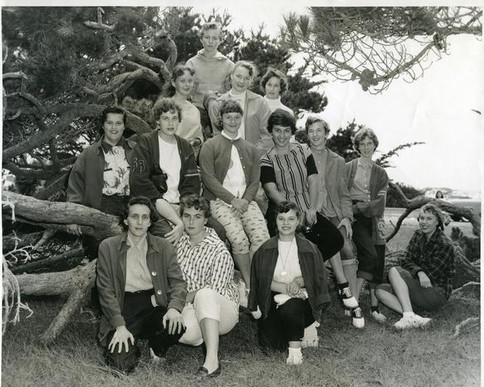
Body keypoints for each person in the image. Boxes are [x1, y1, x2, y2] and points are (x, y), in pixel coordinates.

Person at [259, 110, 344, 306]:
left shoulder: (303, 150)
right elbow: (272, 191)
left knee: (334, 239)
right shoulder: (266, 159)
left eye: (286, 131)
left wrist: (312, 209)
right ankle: (293, 293)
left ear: (292, 132)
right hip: (283, 214)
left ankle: (304, 275)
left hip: (308, 209)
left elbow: (313, 180)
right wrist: (295, 214)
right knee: (292, 248)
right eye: (277, 131)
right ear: (271, 132)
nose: (282, 136)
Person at [96, 196, 186, 373]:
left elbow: (178, 283)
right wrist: (120, 326)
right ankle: (130, 344)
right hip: (123, 306)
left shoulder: (164, 247)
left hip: (152, 304)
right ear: (125, 220)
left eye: (145, 217)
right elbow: (105, 291)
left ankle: (157, 345)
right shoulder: (108, 247)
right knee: (121, 366)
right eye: (134, 216)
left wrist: (174, 308)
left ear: (150, 221)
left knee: (176, 326)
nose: (139, 222)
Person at [199, 100, 270, 307]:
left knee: (262, 238)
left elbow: (255, 180)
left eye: (236, 117)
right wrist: (233, 201)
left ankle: (258, 283)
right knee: (239, 240)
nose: (232, 121)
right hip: (221, 201)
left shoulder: (250, 148)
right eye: (228, 117)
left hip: (246, 201)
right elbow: (208, 179)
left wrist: (245, 200)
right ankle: (248, 286)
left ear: (241, 119)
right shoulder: (210, 146)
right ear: (221, 119)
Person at [129, 98, 225, 244]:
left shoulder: (185, 146)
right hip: (154, 204)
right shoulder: (146, 143)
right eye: (165, 118)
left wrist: (187, 213)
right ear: (157, 121)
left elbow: (191, 183)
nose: (170, 123)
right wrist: (177, 221)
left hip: (181, 205)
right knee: (172, 238)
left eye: (174, 118)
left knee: (218, 231)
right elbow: (138, 181)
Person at [248, 201, 330, 365]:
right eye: (281, 218)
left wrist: (299, 281)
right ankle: (299, 330)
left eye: (291, 219)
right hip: (274, 297)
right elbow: (261, 280)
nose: (286, 223)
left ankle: (295, 351)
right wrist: (285, 287)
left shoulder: (310, 248)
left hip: (302, 300)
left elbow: (318, 278)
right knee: (271, 347)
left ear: (298, 221)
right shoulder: (265, 250)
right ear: (275, 221)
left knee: (293, 305)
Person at [306, 116, 365, 328]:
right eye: (311, 131)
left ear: (326, 133)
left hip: (333, 213)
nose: (315, 135)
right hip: (311, 213)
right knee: (317, 251)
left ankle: (353, 303)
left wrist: (346, 218)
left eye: (319, 130)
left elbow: (343, 193)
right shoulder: (300, 155)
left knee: (347, 248)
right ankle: (319, 304)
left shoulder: (338, 160)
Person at [176, 194, 239, 377]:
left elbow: (214, 292)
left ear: (205, 220)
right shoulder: (180, 243)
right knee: (185, 333)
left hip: (222, 309)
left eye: (197, 217)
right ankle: (204, 333)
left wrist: (180, 298)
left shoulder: (218, 250)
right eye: (187, 216)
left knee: (205, 294)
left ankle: (212, 361)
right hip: (190, 305)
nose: (191, 222)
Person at [66, 106, 134, 259]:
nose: (114, 127)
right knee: (101, 254)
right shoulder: (89, 154)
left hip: (130, 208)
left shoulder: (135, 151)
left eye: (118, 123)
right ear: (103, 125)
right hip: (99, 208)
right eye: (110, 123)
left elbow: (146, 181)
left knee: (130, 257)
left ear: (124, 126)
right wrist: (73, 217)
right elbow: (75, 186)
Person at [375, 204, 455, 329]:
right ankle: (413, 316)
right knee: (380, 290)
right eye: (422, 218)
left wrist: (418, 272)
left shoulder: (445, 244)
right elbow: (406, 259)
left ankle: (408, 316)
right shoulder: (418, 235)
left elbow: (431, 276)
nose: (424, 222)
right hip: (418, 287)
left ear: (437, 222)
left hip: (436, 292)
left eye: (429, 219)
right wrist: (419, 272)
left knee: (394, 271)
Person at [346, 128, 389, 323]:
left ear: (374, 146)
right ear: (357, 147)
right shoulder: (349, 167)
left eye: (369, 143)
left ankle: (374, 308)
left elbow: (380, 202)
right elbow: (342, 194)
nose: (365, 147)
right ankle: (353, 300)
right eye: (362, 144)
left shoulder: (380, 172)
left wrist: (362, 206)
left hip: (372, 216)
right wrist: (352, 210)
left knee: (377, 255)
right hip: (354, 217)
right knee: (369, 255)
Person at [205, 60, 273, 154]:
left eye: (247, 78)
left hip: (253, 157)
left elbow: (268, 135)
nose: (242, 81)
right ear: (231, 76)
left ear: (251, 81)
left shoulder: (260, 102)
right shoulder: (218, 103)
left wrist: (254, 153)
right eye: (238, 76)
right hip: (228, 159)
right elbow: (217, 135)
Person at [185, 21, 234, 137]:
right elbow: (183, 87)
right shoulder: (191, 63)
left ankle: (219, 142)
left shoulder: (229, 64)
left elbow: (238, 88)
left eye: (215, 38)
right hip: (197, 109)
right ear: (201, 39)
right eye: (207, 37)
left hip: (219, 108)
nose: (210, 41)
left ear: (220, 40)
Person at [164, 65, 203, 153]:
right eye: (182, 81)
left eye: (190, 81)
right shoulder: (166, 106)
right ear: (173, 83)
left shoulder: (195, 110)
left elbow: (199, 136)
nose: (187, 85)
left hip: (189, 155)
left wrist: (196, 141)